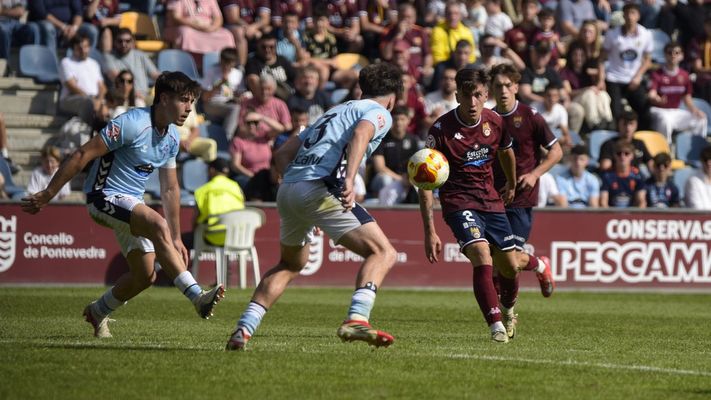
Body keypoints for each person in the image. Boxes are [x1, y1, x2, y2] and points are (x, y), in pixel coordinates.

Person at [20, 72, 225, 339]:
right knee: (156, 224)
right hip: (102, 196)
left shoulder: (172, 138)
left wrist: (176, 237)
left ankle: (97, 311)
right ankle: (197, 296)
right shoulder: (131, 123)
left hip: (130, 203)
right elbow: (82, 154)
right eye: (184, 101)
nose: (189, 108)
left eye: (192, 102)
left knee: (145, 276)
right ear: (163, 98)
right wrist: (49, 192)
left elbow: (171, 188)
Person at [226, 62, 403, 350]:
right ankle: (357, 318)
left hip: (289, 189)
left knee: (291, 263)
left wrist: (294, 184)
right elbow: (361, 134)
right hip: (321, 186)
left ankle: (243, 328)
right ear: (394, 97)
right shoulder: (379, 112)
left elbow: (283, 153)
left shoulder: (334, 110)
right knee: (383, 252)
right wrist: (348, 179)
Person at [416, 68, 521, 343]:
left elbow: (506, 151)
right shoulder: (440, 131)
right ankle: (495, 324)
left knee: (510, 266)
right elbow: (425, 182)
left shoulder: (496, 122)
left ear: (486, 95)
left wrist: (511, 183)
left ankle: (509, 310)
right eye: (466, 95)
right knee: (480, 254)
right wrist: (430, 231)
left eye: (478, 95)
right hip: (458, 202)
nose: (473, 102)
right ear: (457, 95)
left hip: (491, 200)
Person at [490, 63, 560, 301]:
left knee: (510, 259)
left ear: (516, 87)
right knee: (495, 262)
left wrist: (533, 175)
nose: (503, 90)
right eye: (498, 86)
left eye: (508, 85)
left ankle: (540, 265)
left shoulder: (531, 117)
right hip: (494, 196)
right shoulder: (488, 119)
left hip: (521, 196)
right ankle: (504, 309)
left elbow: (556, 152)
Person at [601, 3, 653, 129]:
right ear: (623, 15)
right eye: (627, 13)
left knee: (645, 108)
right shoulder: (612, 34)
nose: (630, 17)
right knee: (616, 111)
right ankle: (618, 138)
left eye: (633, 13)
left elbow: (648, 60)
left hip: (633, 79)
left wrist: (638, 76)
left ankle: (641, 136)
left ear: (638, 16)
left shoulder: (645, 34)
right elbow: (601, 58)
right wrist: (600, 79)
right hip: (614, 78)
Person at [648, 41, 707, 142]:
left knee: (701, 118)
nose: (673, 55)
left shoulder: (684, 75)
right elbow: (651, 94)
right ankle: (666, 150)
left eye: (677, 53)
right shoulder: (657, 74)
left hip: (675, 111)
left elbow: (686, 97)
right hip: (659, 110)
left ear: (682, 56)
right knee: (665, 121)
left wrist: (695, 110)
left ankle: (694, 148)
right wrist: (657, 99)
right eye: (670, 52)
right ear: (665, 55)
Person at [370, 105, 420, 206]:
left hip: (406, 178)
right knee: (385, 179)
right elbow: (380, 168)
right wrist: (400, 179)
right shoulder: (382, 139)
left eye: (402, 119)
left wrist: (409, 179)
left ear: (408, 121)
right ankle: (384, 209)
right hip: (384, 178)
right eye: (396, 119)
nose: (399, 122)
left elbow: (416, 164)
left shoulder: (413, 140)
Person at [193, 157, 245, 246]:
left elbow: (197, 219)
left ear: (212, 170)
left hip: (213, 238)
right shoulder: (237, 188)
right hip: (236, 237)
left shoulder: (202, 190)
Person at [58, 33, 107, 125]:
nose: (83, 50)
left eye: (85, 47)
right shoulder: (66, 62)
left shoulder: (94, 63)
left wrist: (100, 100)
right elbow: (72, 86)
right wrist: (92, 100)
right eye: (79, 48)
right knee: (88, 104)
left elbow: (102, 87)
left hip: (94, 99)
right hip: (71, 99)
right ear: (73, 49)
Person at [102, 29, 161, 100]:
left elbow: (155, 74)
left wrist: (167, 81)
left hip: (144, 96)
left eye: (127, 41)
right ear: (114, 42)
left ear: (133, 42)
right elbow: (117, 78)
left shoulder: (140, 55)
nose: (123, 44)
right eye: (120, 41)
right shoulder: (108, 57)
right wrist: (134, 94)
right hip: (122, 99)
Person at [163, 0, 236, 57]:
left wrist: (212, 28)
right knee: (185, 33)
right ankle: (187, 64)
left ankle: (222, 65)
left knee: (227, 35)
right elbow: (175, 18)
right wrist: (195, 25)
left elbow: (218, 18)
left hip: (208, 28)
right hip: (187, 27)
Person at [600, 140, 647, 208]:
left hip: (632, 216)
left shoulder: (638, 176)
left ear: (632, 156)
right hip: (612, 215)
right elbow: (603, 203)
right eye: (619, 153)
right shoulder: (607, 176)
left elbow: (641, 202)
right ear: (614, 155)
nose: (622, 156)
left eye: (626, 153)